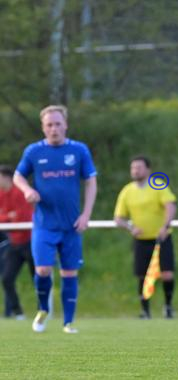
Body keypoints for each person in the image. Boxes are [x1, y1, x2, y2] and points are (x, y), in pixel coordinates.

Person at [13, 105, 97, 333]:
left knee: (69, 272)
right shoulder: (34, 152)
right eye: (49, 124)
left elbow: (90, 181)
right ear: (43, 127)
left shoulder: (78, 150)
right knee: (42, 270)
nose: (54, 129)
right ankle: (43, 309)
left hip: (71, 225)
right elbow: (18, 175)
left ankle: (68, 322)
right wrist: (27, 190)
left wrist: (86, 214)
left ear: (66, 125)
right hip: (44, 225)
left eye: (58, 124)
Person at [114, 156, 177, 319]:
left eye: (139, 167)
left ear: (148, 169)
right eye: (133, 168)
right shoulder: (127, 191)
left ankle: (168, 307)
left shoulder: (158, 186)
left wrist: (165, 225)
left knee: (167, 274)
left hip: (161, 238)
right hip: (141, 240)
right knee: (142, 275)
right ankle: (145, 311)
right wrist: (130, 227)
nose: (135, 170)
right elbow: (119, 218)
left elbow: (170, 206)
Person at [0, 165, 34, 319]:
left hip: (31, 241)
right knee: (7, 279)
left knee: (38, 279)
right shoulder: (1, 194)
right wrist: (9, 216)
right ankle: (18, 313)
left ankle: (43, 311)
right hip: (14, 242)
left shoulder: (19, 192)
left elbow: (23, 218)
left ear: (7, 177)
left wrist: (7, 217)